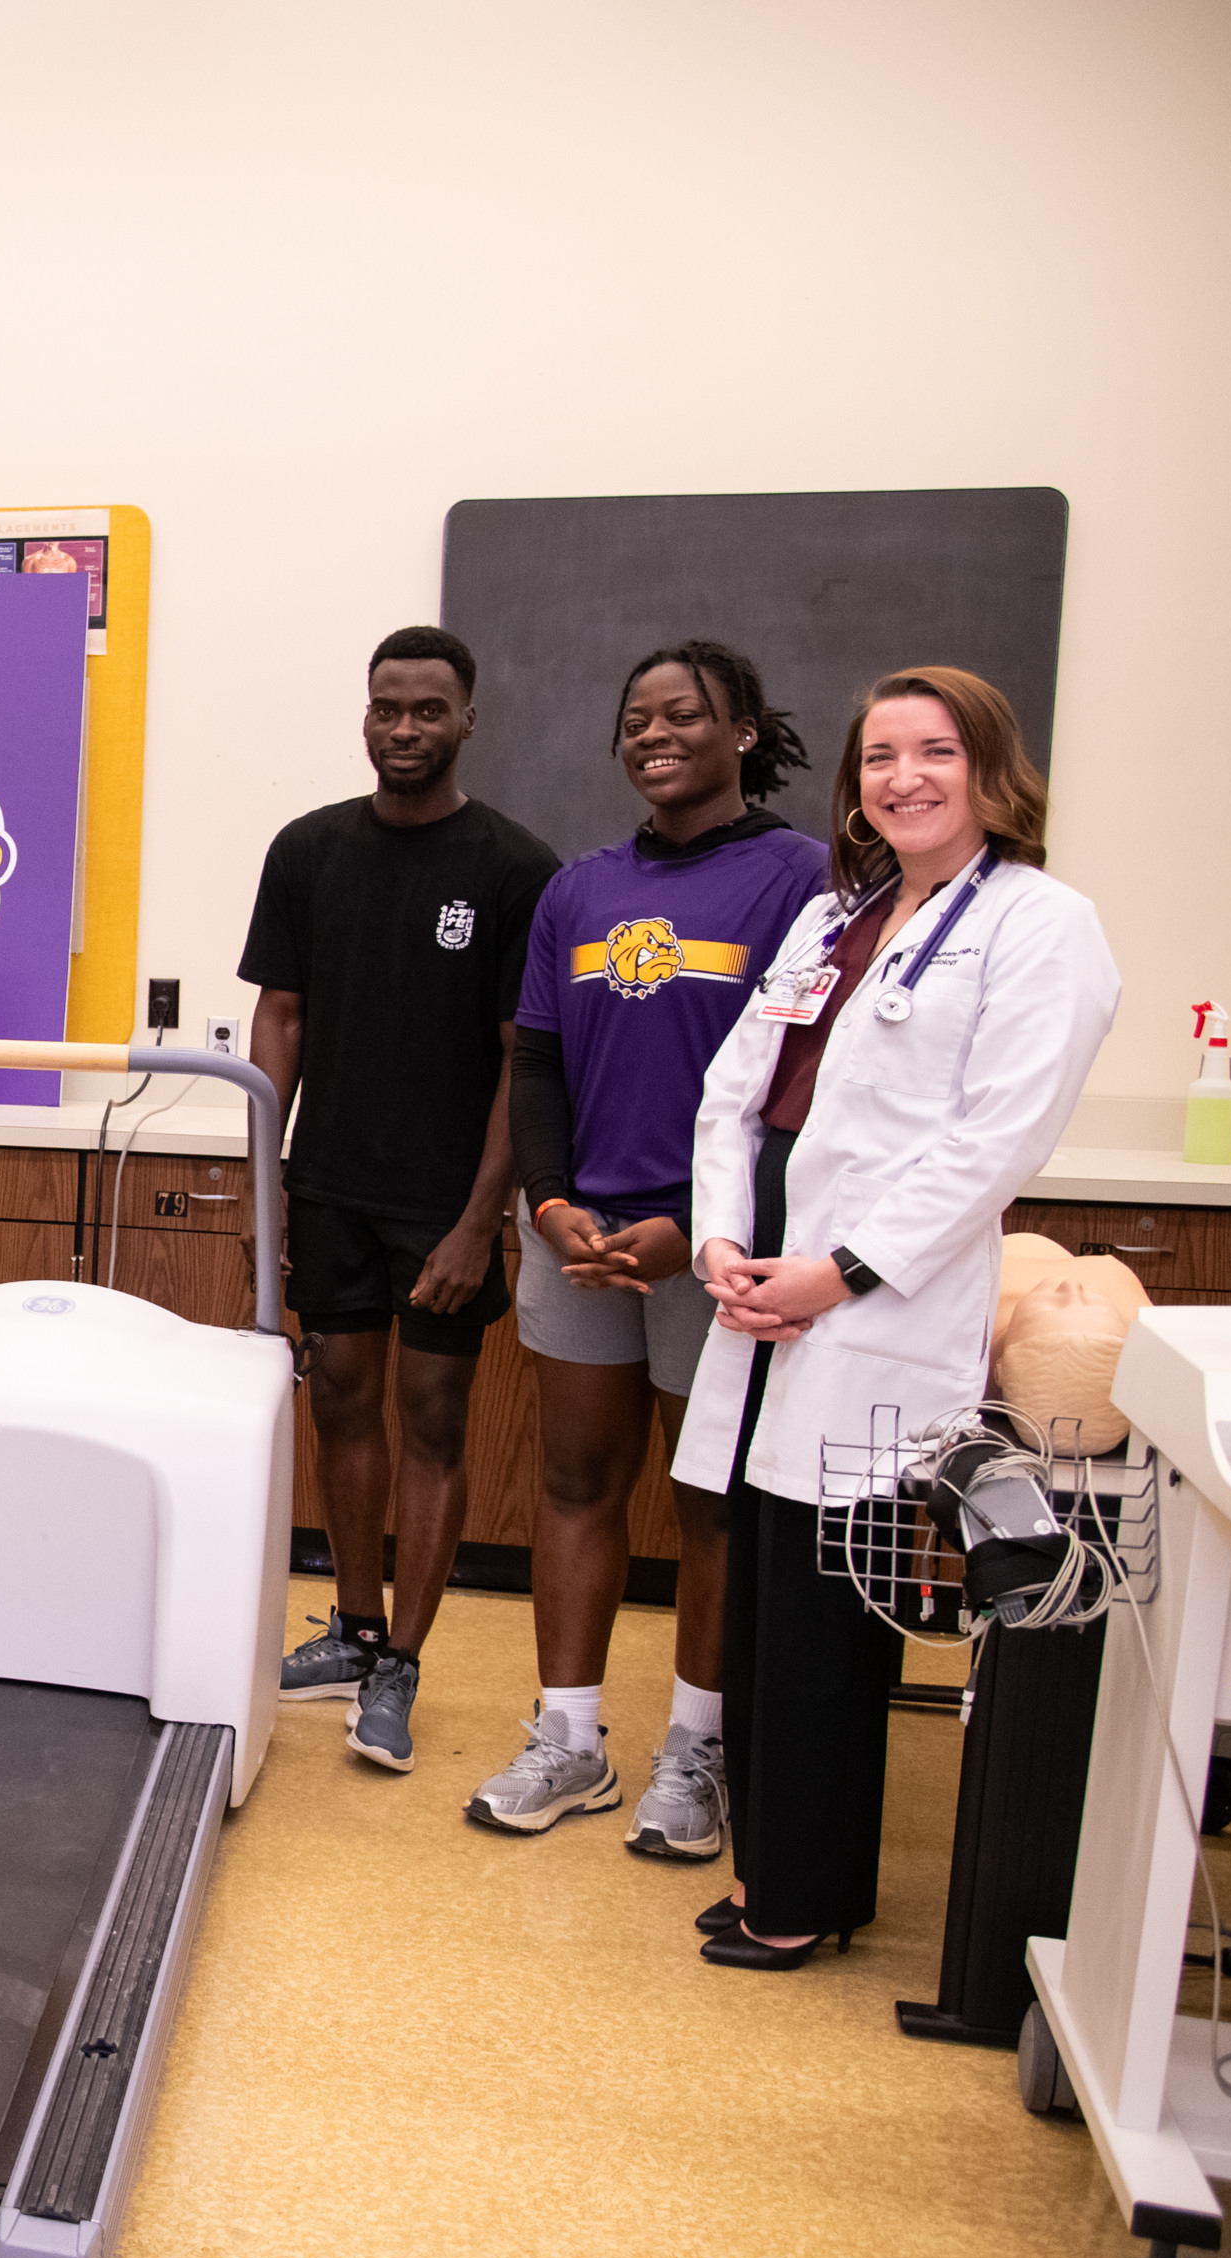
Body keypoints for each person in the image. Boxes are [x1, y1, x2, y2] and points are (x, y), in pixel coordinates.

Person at [674, 666, 1116, 1968]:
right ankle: (771, 1869)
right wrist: (721, 1240)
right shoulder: (838, 916)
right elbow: (734, 1092)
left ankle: (801, 1898)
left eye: (936, 752)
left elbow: (997, 1141)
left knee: (825, 1615)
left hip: (869, 1308)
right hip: (765, 1290)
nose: (904, 778)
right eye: (880, 756)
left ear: (992, 770)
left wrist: (841, 1272)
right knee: (763, 1592)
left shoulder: (1042, 924)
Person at [469, 642, 826, 1853]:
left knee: (709, 1501)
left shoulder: (801, 882)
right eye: (636, 719)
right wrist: (548, 1201)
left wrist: (698, 1227)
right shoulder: (580, 890)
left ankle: (696, 1753)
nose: (654, 734)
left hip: (715, 1244)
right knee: (576, 1483)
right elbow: (535, 1061)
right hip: (579, 1233)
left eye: (684, 715)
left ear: (743, 734)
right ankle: (569, 1740)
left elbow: (806, 1082)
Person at [249, 627, 559, 1776]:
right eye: (388, 708)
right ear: (367, 715)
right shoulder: (309, 850)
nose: (406, 728)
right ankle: (354, 1627)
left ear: (469, 718)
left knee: (431, 1419)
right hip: (328, 1182)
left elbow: (524, 1059)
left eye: (430, 709)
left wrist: (482, 1223)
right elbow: (281, 1018)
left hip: (443, 1201)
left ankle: (402, 1665)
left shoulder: (516, 868)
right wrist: (265, 1185)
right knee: (340, 1402)